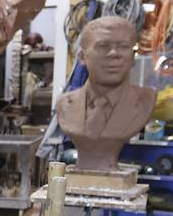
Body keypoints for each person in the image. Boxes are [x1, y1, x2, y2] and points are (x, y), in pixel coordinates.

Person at [56, 16, 156, 171]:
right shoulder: (65, 104)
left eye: (123, 46)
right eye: (103, 46)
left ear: (133, 57)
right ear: (82, 57)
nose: (114, 54)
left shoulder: (145, 101)